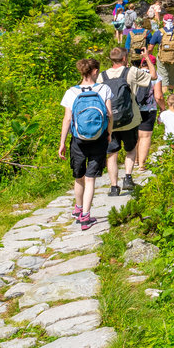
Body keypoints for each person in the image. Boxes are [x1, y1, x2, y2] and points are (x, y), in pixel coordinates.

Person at [58, 58, 112, 230]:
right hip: (99, 138)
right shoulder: (104, 89)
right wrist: (109, 133)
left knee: (78, 176)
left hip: (78, 140)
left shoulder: (71, 92)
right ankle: (86, 217)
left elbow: (67, 119)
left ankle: (78, 208)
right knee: (90, 179)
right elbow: (110, 114)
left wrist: (62, 143)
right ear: (95, 71)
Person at [98, 49, 148, 195]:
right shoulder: (131, 72)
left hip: (110, 123)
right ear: (125, 58)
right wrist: (147, 59)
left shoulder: (102, 76)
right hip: (130, 120)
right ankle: (127, 177)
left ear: (110, 59)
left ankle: (114, 187)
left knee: (112, 154)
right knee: (131, 150)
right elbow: (153, 77)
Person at [152, 13, 174, 89]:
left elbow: (150, 47)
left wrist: (148, 58)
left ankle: (165, 97)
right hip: (173, 58)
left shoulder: (158, 32)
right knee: (172, 78)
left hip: (161, 58)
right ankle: (171, 97)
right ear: (173, 21)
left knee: (163, 79)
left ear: (163, 22)